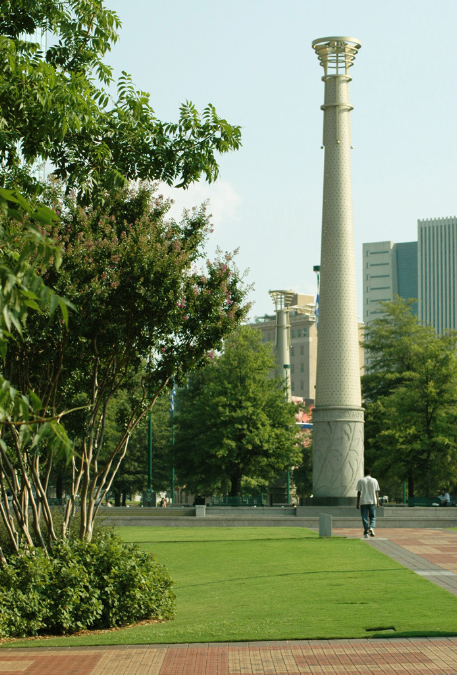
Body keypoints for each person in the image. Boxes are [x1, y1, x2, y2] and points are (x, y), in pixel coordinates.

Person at [356, 468, 380, 539]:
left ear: (364, 473)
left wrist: (357, 503)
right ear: (370, 473)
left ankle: (366, 532)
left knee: (364, 517)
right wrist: (378, 503)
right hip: (372, 501)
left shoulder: (361, 481)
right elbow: (377, 492)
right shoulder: (374, 480)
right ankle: (371, 528)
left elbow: (359, 492)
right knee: (373, 516)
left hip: (363, 501)